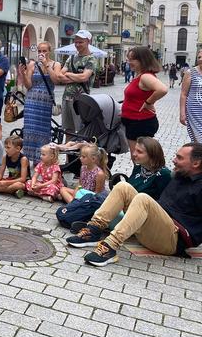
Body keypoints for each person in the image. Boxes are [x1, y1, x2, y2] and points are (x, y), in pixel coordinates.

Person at [66, 143, 202, 267]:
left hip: (172, 240)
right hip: (153, 228)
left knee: (143, 198)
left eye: (179, 158)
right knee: (123, 186)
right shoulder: (180, 175)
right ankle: (93, 230)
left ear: (196, 163)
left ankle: (110, 246)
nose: (174, 160)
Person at [19, 41, 61, 162]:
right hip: (31, 101)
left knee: (43, 130)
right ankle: (28, 158)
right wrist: (23, 73)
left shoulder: (55, 64)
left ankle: (42, 158)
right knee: (30, 129)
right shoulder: (33, 64)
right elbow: (28, 85)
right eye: (39, 51)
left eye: (44, 51)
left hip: (45, 102)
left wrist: (46, 64)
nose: (41, 53)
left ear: (49, 51)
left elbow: (56, 80)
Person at [121, 46, 168, 153]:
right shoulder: (139, 75)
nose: (129, 62)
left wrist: (148, 102)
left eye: (132, 59)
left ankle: (141, 170)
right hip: (135, 121)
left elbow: (163, 89)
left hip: (139, 122)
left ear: (143, 60)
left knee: (138, 157)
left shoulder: (145, 76)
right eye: (128, 59)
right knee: (140, 157)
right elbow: (136, 97)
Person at [57, 30, 97, 136]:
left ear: (88, 41)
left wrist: (69, 74)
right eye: (76, 42)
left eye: (81, 42)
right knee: (67, 130)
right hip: (67, 97)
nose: (77, 44)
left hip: (81, 100)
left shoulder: (91, 59)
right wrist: (76, 77)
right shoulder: (71, 57)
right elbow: (60, 76)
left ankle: (79, 152)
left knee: (80, 131)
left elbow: (84, 77)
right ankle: (68, 152)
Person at [180, 50, 202, 142]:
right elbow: (184, 94)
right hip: (194, 111)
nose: (200, 59)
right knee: (199, 139)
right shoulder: (190, 72)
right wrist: (182, 113)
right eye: (199, 57)